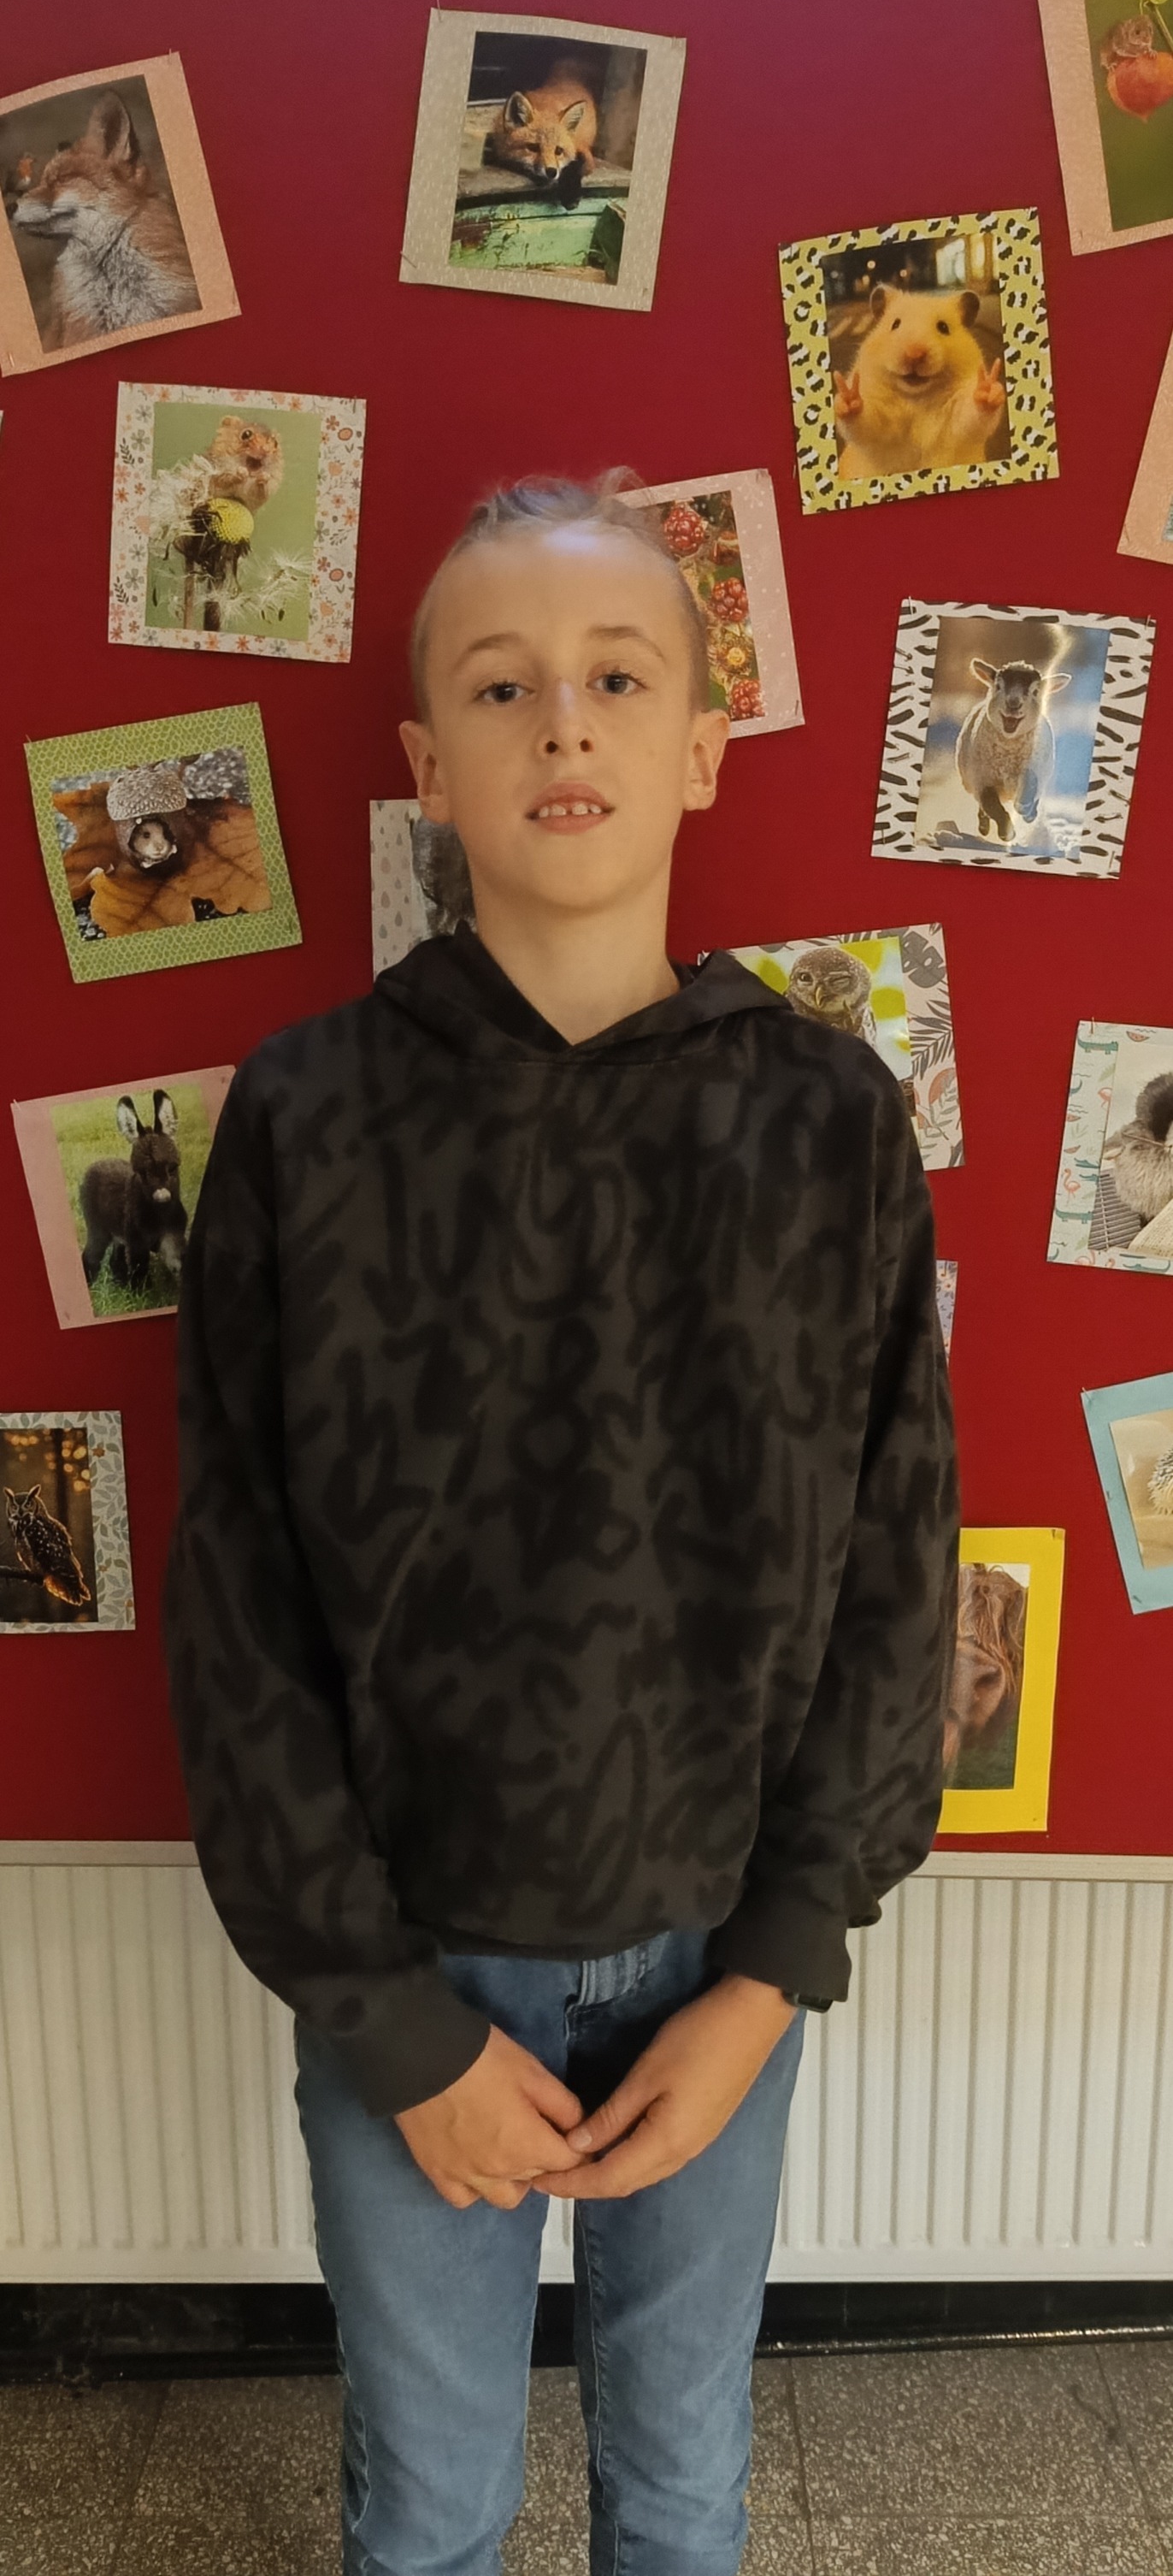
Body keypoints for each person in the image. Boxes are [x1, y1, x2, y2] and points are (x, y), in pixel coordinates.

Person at [164, 472, 959, 2576]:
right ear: (427, 766)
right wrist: (385, 2011)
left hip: (716, 1949)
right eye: (501, 686)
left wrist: (775, 1967)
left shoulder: (828, 1119)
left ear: (700, 744)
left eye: (617, 679)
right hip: (407, 1957)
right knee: (427, 2510)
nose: (563, 724)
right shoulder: (305, 1114)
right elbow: (236, 1603)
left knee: (681, 2498)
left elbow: (896, 1565)